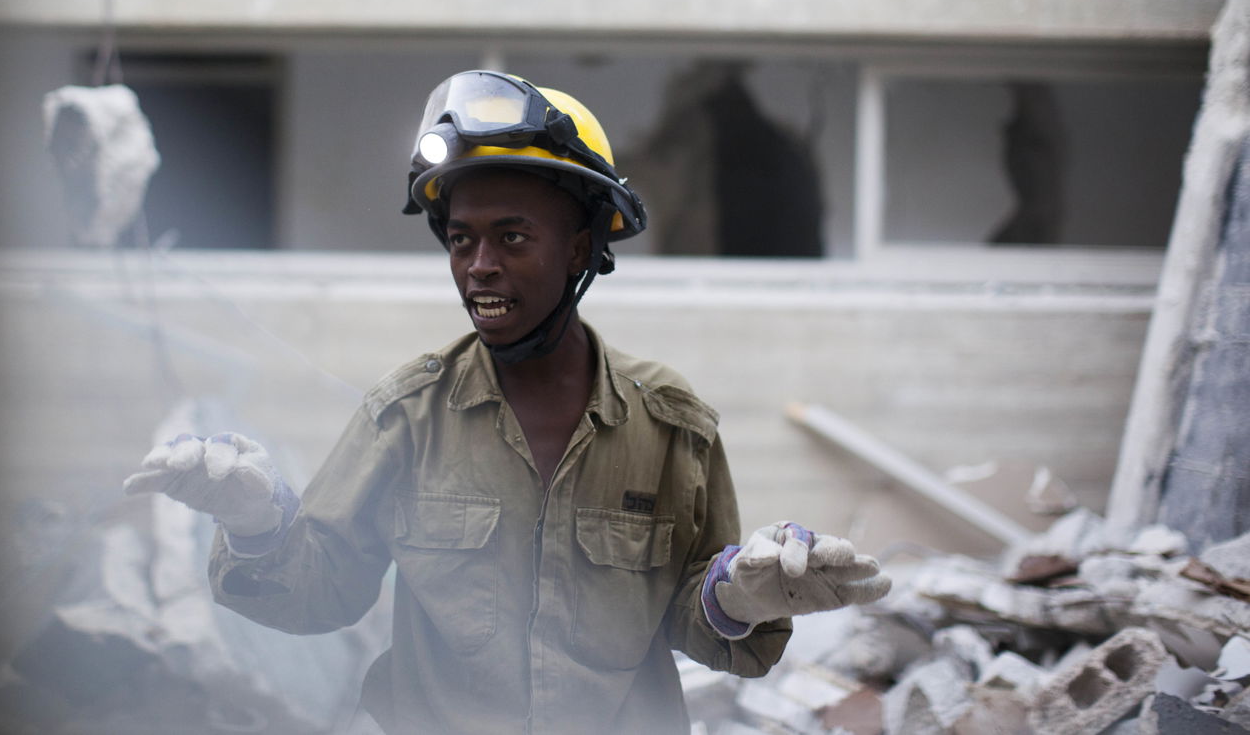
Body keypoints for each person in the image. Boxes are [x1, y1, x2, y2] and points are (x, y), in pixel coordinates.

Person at [124, 71, 890, 734]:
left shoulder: (670, 425)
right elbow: (325, 591)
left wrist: (736, 594)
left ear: (581, 250)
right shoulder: (407, 416)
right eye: (461, 240)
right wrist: (257, 523)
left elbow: (698, 617)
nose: (478, 267)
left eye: (513, 237)